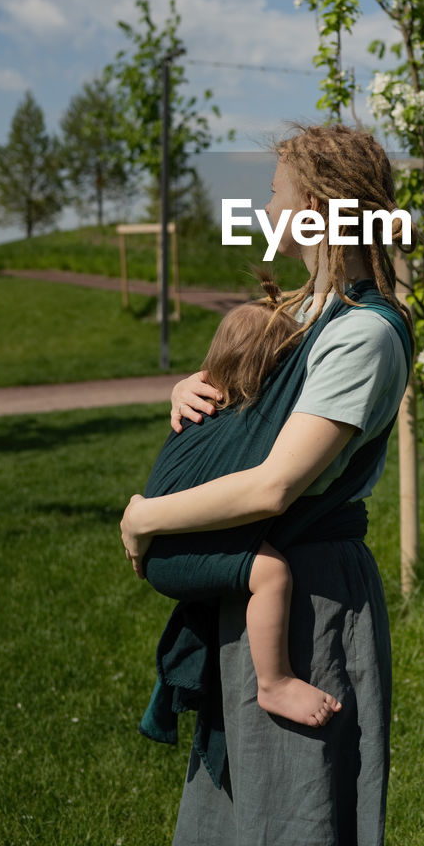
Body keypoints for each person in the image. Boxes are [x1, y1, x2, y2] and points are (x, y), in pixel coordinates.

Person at [121, 123, 414, 846]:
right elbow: (248, 410)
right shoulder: (302, 316)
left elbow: (276, 484)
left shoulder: (363, 335)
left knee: (293, 823)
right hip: (256, 589)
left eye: (274, 190)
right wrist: (188, 390)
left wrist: (145, 516)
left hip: (306, 606)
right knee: (237, 821)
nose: (265, 202)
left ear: (314, 205)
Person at [142, 274, 342, 728]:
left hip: (164, 537)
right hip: (169, 546)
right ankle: (274, 683)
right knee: (270, 572)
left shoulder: (207, 411)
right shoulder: (247, 421)